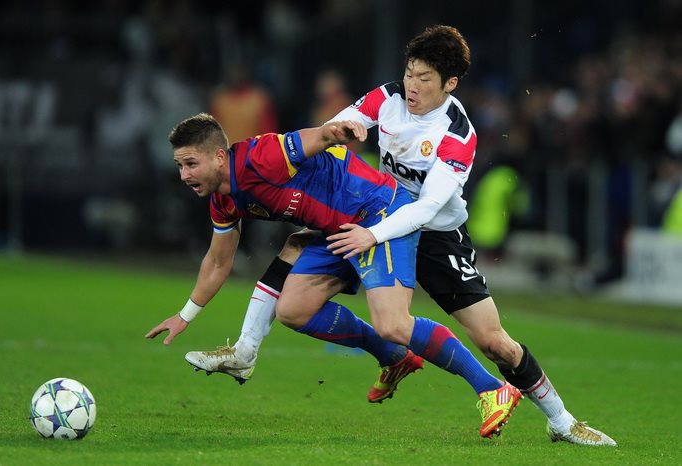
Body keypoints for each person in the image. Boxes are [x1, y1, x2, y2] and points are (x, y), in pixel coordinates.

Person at [186, 25, 617, 447]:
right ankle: (391, 356)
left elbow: (427, 208)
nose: (412, 85)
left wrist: (371, 235)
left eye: (424, 78)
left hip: (432, 236)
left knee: (493, 342)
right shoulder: (389, 97)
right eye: (410, 73)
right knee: (296, 308)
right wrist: (344, 129)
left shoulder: (457, 135)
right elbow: (340, 123)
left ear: (450, 83)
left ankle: (562, 421)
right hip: (372, 214)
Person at [145, 112, 522, 439]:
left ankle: (492, 388)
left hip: (379, 213)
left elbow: (320, 136)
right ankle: (394, 357)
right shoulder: (223, 201)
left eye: (190, 164)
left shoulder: (261, 157)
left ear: (218, 156)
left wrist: (340, 129)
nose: (184, 175)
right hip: (337, 230)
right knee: (293, 310)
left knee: (393, 323)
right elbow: (217, 262)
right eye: (180, 166)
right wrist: (185, 315)